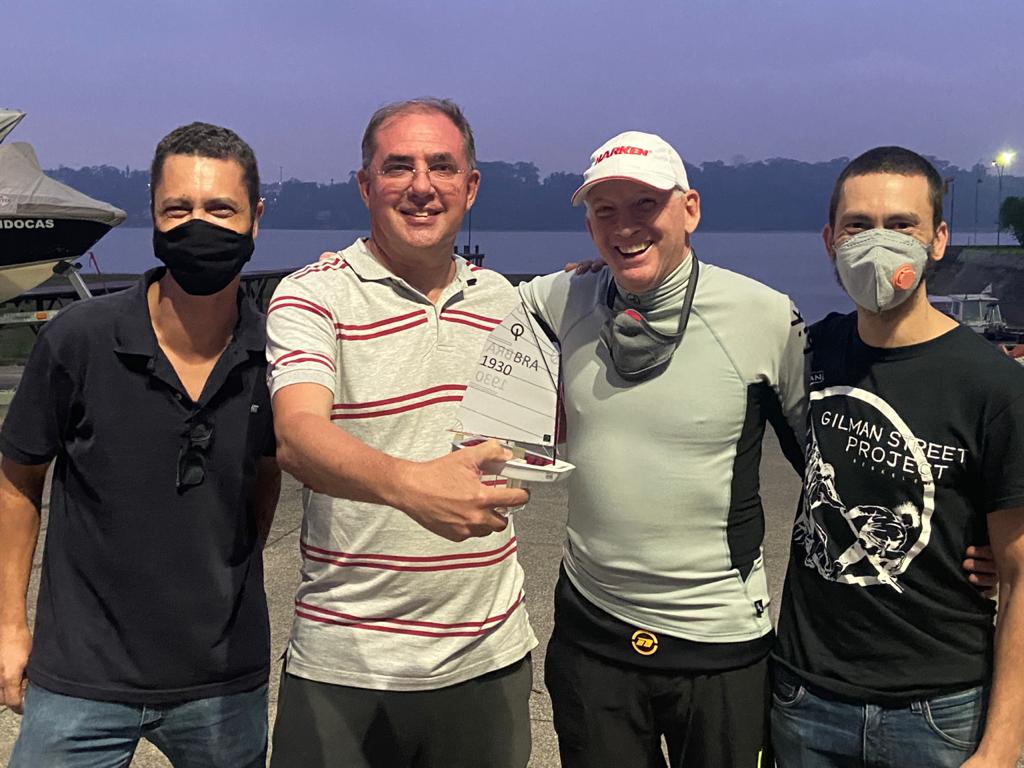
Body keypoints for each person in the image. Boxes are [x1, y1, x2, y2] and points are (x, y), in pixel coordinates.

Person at [517, 131, 807, 767]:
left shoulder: (764, 315)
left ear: (690, 209)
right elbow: (469, 301)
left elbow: (825, 468)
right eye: (605, 211)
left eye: (645, 205)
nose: (625, 228)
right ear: (589, 225)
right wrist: (379, 269)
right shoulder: (562, 299)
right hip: (593, 636)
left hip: (721, 640)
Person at [265, 98, 536, 768]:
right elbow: (297, 433)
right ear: (366, 186)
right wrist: (411, 486)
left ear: (470, 186)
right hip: (345, 659)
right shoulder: (313, 295)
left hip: (488, 653)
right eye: (398, 168)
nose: (421, 186)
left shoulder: (505, 301)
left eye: (442, 166)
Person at [0, 122, 280, 766]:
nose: (198, 226)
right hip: (80, 677)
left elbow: (266, 478)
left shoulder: (277, 357)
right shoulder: (77, 340)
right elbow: (17, 481)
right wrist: (10, 625)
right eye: (178, 209)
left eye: (221, 209)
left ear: (256, 218)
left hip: (222, 679)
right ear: (153, 212)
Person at [772, 146, 1024, 767]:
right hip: (806, 698)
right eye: (858, 225)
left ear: (938, 240)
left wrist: (1000, 748)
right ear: (830, 240)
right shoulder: (808, 351)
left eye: (901, 225)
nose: (878, 243)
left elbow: (1021, 575)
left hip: (939, 710)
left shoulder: (993, 386)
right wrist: (606, 280)